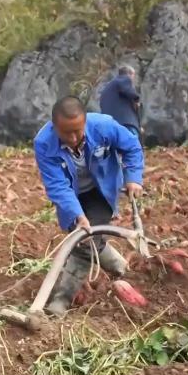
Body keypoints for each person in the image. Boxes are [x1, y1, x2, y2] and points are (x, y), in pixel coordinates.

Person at [33, 96, 145, 315]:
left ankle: (61, 300)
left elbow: (132, 146)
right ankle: (121, 268)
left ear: (85, 122)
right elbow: (57, 185)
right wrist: (76, 214)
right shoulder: (44, 143)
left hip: (101, 191)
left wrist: (133, 177)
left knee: (84, 242)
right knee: (88, 238)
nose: (73, 138)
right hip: (71, 195)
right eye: (66, 133)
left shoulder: (103, 126)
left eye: (78, 131)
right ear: (54, 127)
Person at [99, 65, 142, 140]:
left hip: (109, 125)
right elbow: (130, 92)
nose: (133, 79)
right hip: (125, 122)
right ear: (129, 74)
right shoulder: (124, 79)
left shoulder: (108, 87)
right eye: (133, 76)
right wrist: (137, 99)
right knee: (132, 144)